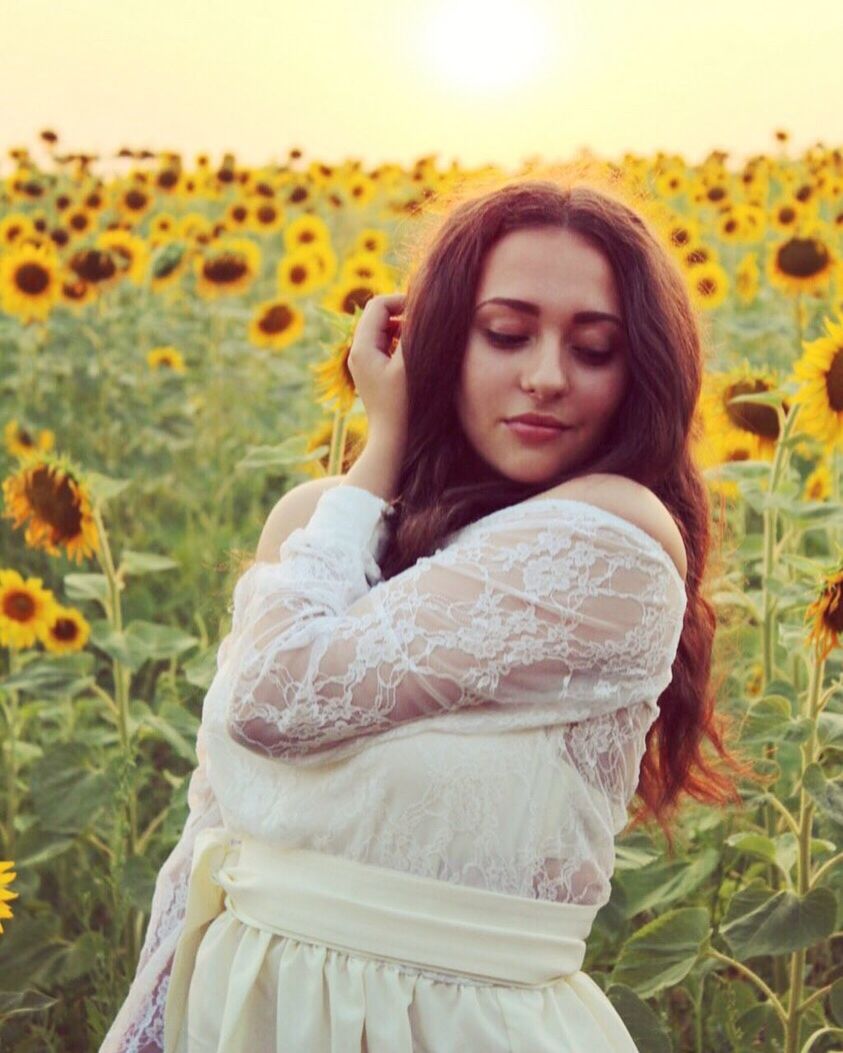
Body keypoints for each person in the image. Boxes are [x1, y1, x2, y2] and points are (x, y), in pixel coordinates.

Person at [100, 177, 749, 1053]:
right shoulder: (321, 526)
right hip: (243, 1016)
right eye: (506, 333)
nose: (546, 376)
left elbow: (271, 701)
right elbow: (211, 840)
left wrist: (377, 447)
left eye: (594, 349)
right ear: (438, 341)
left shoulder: (613, 537)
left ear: (641, 375)